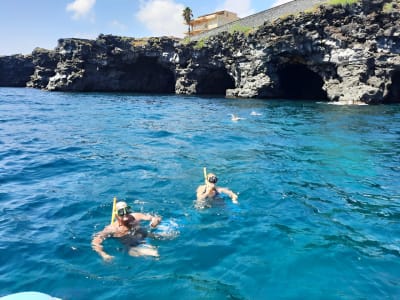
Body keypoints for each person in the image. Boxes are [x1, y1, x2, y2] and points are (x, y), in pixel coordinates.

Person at [91, 201, 162, 261]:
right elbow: (95, 241)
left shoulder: (136, 216)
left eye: (127, 210)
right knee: (155, 253)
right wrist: (103, 254)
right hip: (132, 246)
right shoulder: (112, 228)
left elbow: (154, 217)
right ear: (116, 215)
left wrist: (155, 220)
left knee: (168, 236)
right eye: (121, 212)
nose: (125, 214)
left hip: (144, 235)